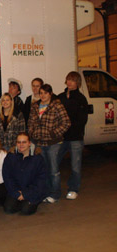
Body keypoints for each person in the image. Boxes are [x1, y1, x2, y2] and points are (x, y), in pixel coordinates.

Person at [28, 84, 70, 203]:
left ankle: (55, 194)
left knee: (53, 170)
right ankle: (45, 193)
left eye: (45, 93)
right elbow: (30, 122)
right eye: (41, 93)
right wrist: (32, 133)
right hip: (39, 143)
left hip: (53, 143)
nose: (43, 95)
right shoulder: (35, 106)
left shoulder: (57, 105)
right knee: (43, 170)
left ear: (50, 94)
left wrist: (53, 133)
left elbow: (66, 122)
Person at [57, 71, 88, 200]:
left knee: (75, 166)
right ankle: (52, 187)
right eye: (68, 79)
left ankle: (73, 189)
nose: (70, 82)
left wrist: (70, 128)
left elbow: (82, 120)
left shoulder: (81, 99)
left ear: (77, 83)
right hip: (61, 138)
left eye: (73, 80)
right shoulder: (60, 97)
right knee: (54, 162)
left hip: (75, 138)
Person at [2, 132, 47, 215]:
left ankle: (30, 201)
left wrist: (26, 194)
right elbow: (7, 177)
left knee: (26, 210)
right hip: (16, 190)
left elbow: (41, 180)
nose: (21, 145)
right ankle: (22, 200)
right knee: (8, 209)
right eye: (19, 142)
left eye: (24, 142)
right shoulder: (10, 157)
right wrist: (16, 193)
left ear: (29, 143)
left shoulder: (38, 158)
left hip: (32, 191)